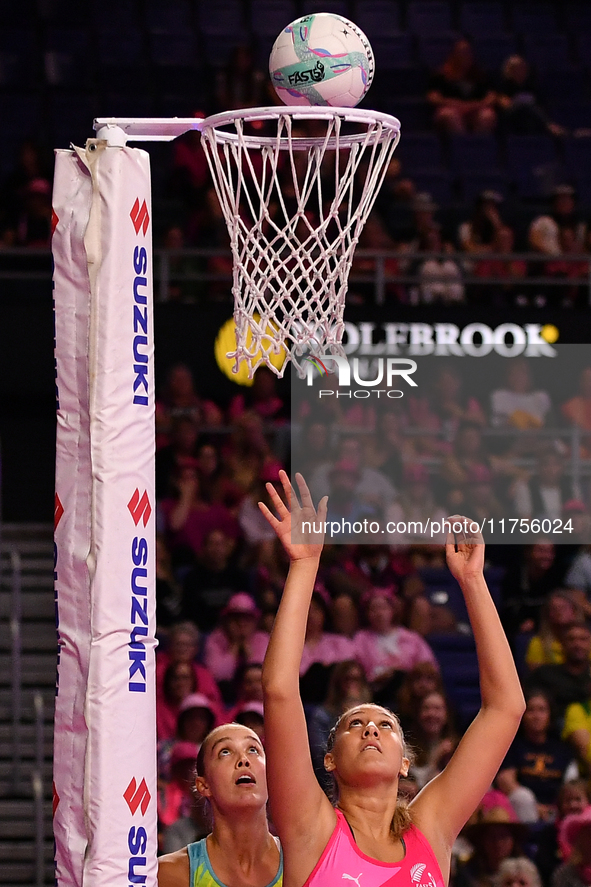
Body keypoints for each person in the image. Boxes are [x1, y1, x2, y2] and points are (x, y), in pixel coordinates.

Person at [259, 471, 525, 887]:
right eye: (355, 724)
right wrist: (305, 565)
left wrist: (473, 583)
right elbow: (278, 692)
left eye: (386, 725)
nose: (371, 729)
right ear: (328, 760)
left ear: (405, 762)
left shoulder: (432, 826)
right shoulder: (309, 825)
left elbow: (507, 708)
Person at [158, 723, 283, 887]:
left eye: (253, 749)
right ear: (204, 785)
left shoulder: (301, 864)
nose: (243, 760)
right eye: (225, 752)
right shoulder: (170, 873)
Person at [496, 690, 575, 823]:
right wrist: (535, 807)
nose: (536, 716)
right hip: (522, 809)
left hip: (558, 808)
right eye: (531, 710)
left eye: (542, 710)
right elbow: (505, 780)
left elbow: (572, 783)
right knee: (522, 797)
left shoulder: (562, 749)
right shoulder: (512, 746)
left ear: (550, 715)